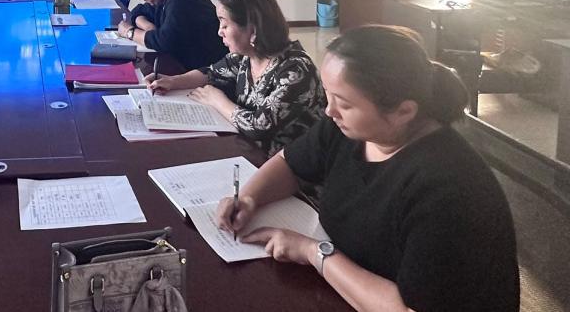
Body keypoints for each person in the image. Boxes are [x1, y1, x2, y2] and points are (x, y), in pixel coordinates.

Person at [216, 25, 519, 312]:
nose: (329, 110)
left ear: (403, 112)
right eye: (328, 94)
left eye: (344, 103)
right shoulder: (348, 129)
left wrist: (314, 252)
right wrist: (250, 198)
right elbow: (290, 162)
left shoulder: (448, 190)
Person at [146, 0, 325, 153]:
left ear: (253, 29)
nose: (219, 32)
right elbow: (210, 73)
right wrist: (172, 81)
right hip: (251, 152)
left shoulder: (296, 70)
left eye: (224, 25)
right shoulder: (245, 57)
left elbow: (259, 127)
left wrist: (218, 100)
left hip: (289, 165)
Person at [116, 0, 223, 70]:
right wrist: (148, 27)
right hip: (184, 65)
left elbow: (164, 42)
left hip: (207, 71)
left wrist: (130, 32)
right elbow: (139, 10)